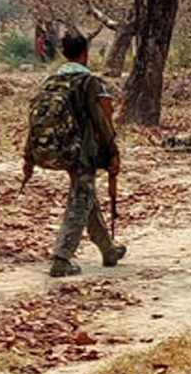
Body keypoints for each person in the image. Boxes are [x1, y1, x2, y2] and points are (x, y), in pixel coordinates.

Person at [23, 29, 126, 277]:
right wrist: (113, 150)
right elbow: (100, 120)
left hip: (52, 147)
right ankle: (61, 257)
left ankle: (108, 250)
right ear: (85, 52)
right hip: (80, 151)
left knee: (86, 193)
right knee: (81, 198)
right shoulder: (88, 82)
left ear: (63, 52)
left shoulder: (50, 81)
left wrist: (28, 157)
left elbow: (35, 122)